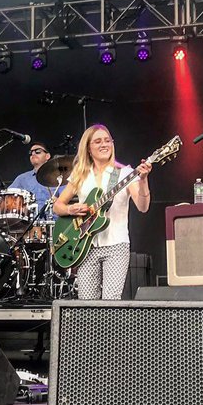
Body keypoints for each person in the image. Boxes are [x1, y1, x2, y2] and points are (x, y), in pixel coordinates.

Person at [52, 124, 151, 300]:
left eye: (107, 140)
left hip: (116, 245)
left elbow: (143, 207)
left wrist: (143, 180)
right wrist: (70, 209)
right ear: (89, 149)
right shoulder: (81, 174)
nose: (104, 144)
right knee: (86, 302)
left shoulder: (125, 173)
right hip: (85, 246)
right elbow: (57, 206)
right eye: (98, 141)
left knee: (110, 301)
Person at [10, 141, 58, 222]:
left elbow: (66, 201)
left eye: (38, 151)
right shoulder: (22, 178)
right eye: (31, 152)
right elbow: (5, 196)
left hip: (54, 223)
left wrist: (57, 201)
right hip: (30, 225)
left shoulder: (59, 177)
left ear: (47, 156)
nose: (33, 154)